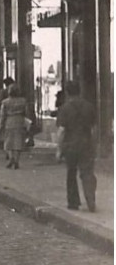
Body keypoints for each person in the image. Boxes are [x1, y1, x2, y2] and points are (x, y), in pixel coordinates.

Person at [56, 80, 97, 212]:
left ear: (67, 92)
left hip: (70, 145)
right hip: (86, 143)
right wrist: (94, 144)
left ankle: (73, 202)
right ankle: (90, 198)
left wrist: (59, 149)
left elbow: (61, 130)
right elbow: (94, 128)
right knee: (87, 173)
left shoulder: (65, 108)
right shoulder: (89, 106)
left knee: (71, 173)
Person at [0, 83, 28, 169]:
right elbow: (26, 112)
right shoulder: (23, 101)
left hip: (9, 122)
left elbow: (2, 115)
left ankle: (11, 158)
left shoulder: (5, 102)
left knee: (8, 142)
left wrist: (0, 126)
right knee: (18, 142)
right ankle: (17, 161)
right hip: (20, 121)